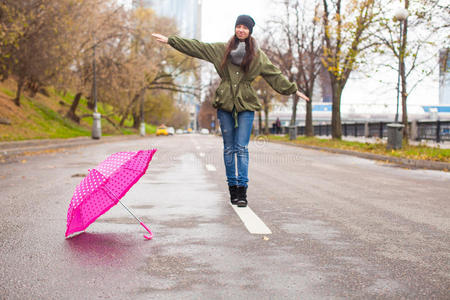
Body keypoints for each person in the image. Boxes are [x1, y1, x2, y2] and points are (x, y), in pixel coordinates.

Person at [152, 15, 309, 207]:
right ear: (235, 28)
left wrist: (293, 90)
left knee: (241, 148)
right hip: (225, 103)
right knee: (228, 148)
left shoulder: (258, 56)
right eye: (239, 26)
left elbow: (274, 74)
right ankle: (232, 189)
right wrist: (171, 41)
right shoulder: (221, 50)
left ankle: (242, 191)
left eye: (245, 27)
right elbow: (197, 47)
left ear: (250, 31)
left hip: (246, 104)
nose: (241, 30)